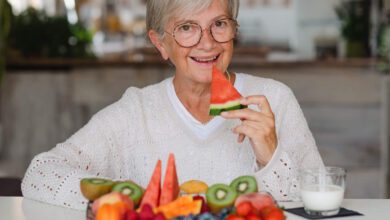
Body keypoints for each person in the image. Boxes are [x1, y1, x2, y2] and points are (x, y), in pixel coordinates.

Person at [22, 0, 323, 210]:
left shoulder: (274, 99)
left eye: (219, 24)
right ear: (160, 43)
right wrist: (133, 199)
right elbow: (41, 174)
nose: (207, 43)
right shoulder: (134, 112)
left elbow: (320, 202)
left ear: (234, 31)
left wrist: (271, 157)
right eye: (187, 28)